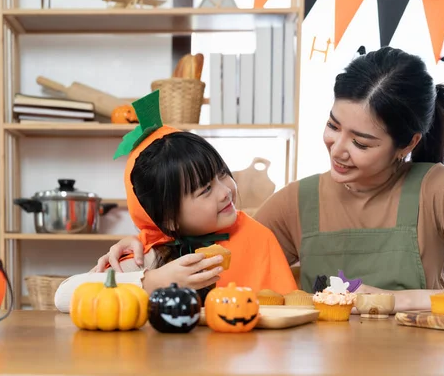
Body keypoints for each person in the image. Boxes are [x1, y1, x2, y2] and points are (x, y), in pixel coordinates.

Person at [93, 46, 444, 311]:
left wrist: (402, 300)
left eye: (362, 141)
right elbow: (220, 242)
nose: (337, 148)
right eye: (333, 126)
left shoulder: (440, 189)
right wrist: (146, 243)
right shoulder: (299, 200)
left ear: (407, 143)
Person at [54, 91, 297, 312]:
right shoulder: (147, 252)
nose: (225, 191)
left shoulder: (257, 237)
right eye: (205, 190)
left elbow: (286, 312)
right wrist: (153, 281)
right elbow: (64, 296)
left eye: (222, 173)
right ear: (169, 217)